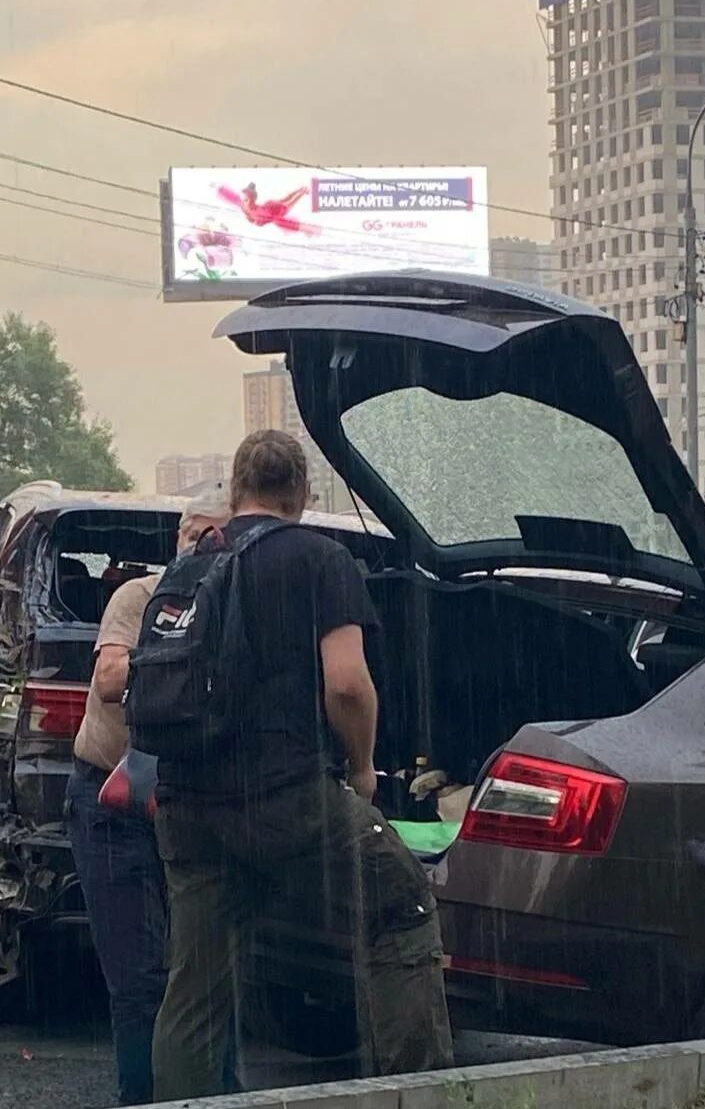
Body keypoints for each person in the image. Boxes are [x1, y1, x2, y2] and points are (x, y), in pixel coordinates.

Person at [149, 431, 452, 1100]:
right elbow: (346, 683)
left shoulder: (191, 565)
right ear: (302, 493)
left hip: (185, 804)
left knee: (194, 986)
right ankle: (414, 1093)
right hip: (285, 792)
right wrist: (363, 766)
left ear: (235, 490)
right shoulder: (319, 558)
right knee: (398, 904)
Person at [64, 484, 232, 1107]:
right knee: (138, 982)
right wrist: (181, 649)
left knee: (210, 978)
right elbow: (109, 679)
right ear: (178, 539)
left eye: (220, 538)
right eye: (198, 536)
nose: (206, 549)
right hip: (112, 806)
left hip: (191, 806)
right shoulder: (138, 597)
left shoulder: (238, 607)